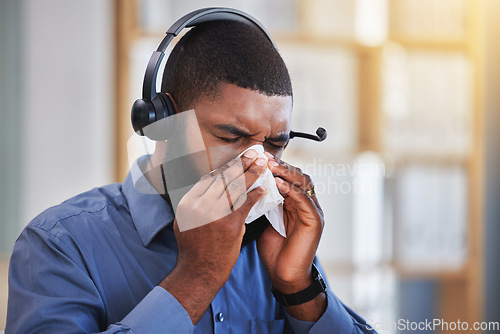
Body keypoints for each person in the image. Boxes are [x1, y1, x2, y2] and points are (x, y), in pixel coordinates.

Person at [6, 17, 374, 334]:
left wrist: (300, 290)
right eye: (231, 137)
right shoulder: (60, 244)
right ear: (164, 122)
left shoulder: (276, 244)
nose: (258, 164)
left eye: (275, 144)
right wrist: (198, 276)